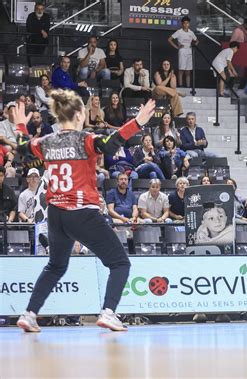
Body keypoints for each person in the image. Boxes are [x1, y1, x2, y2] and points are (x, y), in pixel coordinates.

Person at [14, 92, 156, 332]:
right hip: (81, 212)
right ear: (80, 114)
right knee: (120, 263)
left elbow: (21, 148)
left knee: (56, 266)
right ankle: (109, 312)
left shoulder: (46, 142)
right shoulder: (85, 139)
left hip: (56, 213)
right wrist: (138, 122)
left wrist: (20, 125)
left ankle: (29, 314)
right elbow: (111, 143)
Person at [168, 16, 198, 88]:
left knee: (188, 71)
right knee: (181, 69)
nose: (186, 25)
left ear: (189, 24)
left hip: (189, 51)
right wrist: (177, 47)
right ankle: (180, 86)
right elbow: (169, 39)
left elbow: (197, 41)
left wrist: (193, 46)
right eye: (184, 23)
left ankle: (188, 87)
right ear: (182, 24)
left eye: (187, 23)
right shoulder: (179, 32)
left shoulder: (191, 32)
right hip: (182, 51)